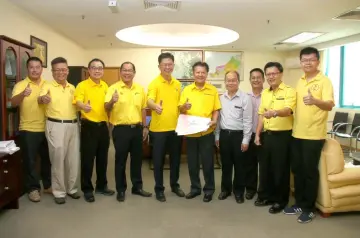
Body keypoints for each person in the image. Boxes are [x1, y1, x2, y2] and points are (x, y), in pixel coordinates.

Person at [283, 47, 334, 223]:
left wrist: (315, 100)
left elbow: (329, 105)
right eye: (304, 60)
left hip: (314, 134)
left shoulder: (324, 81)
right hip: (297, 133)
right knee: (297, 170)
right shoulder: (300, 81)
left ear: (318, 61)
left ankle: (309, 208)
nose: (307, 63)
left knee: (309, 171)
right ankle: (299, 202)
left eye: (311, 60)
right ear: (301, 62)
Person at [104, 62, 152, 202]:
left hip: (137, 129)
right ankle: (121, 189)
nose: (127, 73)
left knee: (137, 161)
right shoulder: (113, 88)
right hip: (120, 130)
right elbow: (106, 107)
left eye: (129, 70)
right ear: (120, 72)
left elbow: (143, 109)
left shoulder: (140, 89)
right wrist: (112, 101)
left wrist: (144, 127)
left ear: (134, 73)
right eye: (124, 70)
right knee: (120, 161)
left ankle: (137, 187)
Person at [254, 62, 296, 214]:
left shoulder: (290, 91)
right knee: (265, 169)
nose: (271, 77)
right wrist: (258, 134)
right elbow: (261, 115)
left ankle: (280, 201)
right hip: (267, 135)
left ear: (281, 74)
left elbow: (288, 110)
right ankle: (266, 196)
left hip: (283, 136)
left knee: (280, 170)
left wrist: (275, 113)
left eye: (274, 73)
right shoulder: (265, 93)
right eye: (268, 74)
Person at [38, 57, 80, 204]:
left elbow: (77, 104)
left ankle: (72, 189)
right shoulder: (47, 86)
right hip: (55, 125)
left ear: (67, 71)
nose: (61, 73)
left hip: (73, 125)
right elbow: (40, 98)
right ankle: (59, 192)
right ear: (52, 72)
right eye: (57, 70)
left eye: (63, 69)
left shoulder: (72, 87)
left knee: (73, 159)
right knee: (57, 159)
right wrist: (43, 99)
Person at [179, 61, 221, 202]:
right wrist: (184, 106)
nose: (200, 74)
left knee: (208, 162)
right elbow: (180, 109)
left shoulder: (212, 90)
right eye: (198, 72)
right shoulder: (187, 90)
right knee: (192, 163)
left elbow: (216, 109)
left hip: (207, 132)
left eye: (203, 72)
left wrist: (214, 120)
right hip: (191, 133)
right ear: (193, 73)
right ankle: (195, 188)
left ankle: (209, 189)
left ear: (206, 74)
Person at [11, 56, 51, 203]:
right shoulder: (21, 85)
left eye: (37, 67)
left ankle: (47, 185)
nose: (35, 70)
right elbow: (13, 103)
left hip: (48, 128)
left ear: (42, 69)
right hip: (28, 128)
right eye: (31, 67)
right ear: (27, 69)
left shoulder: (48, 84)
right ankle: (33, 189)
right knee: (30, 161)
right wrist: (23, 94)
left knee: (48, 159)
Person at [74, 58, 114, 202]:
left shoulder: (105, 86)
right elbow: (77, 101)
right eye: (94, 68)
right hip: (88, 126)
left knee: (103, 159)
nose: (97, 70)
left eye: (100, 68)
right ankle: (87, 189)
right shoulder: (82, 85)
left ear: (102, 71)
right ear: (89, 70)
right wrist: (83, 106)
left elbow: (107, 106)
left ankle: (101, 186)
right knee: (87, 159)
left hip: (103, 126)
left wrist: (113, 102)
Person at [147, 53, 185, 202]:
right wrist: (155, 106)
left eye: (170, 64)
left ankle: (175, 186)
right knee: (158, 161)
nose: (167, 67)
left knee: (176, 160)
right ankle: (159, 189)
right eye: (165, 65)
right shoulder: (154, 83)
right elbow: (149, 100)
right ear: (159, 67)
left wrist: (184, 107)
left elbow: (178, 105)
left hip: (175, 129)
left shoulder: (177, 84)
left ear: (173, 66)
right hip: (158, 131)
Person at [215, 71, 252, 204]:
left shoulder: (245, 98)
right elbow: (218, 119)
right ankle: (225, 190)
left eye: (233, 80)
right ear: (225, 82)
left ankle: (239, 191)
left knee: (240, 166)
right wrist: (217, 136)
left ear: (238, 81)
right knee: (226, 165)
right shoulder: (221, 98)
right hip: (224, 135)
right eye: (228, 80)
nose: (231, 82)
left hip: (239, 136)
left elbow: (248, 121)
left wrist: (246, 140)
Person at [246, 68, 265, 201]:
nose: (256, 80)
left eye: (258, 77)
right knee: (250, 164)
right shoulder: (246, 97)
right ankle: (251, 189)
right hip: (250, 134)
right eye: (253, 77)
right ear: (250, 80)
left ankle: (263, 191)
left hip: (265, 135)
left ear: (263, 80)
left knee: (264, 165)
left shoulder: (268, 95)